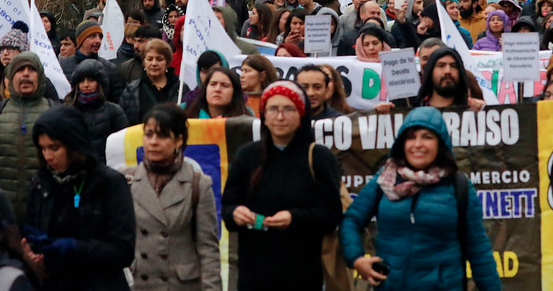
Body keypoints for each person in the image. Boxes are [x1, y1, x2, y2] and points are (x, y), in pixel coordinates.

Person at [340, 107, 501, 291]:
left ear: (440, 144)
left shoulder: (458, 186)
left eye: (427, 137)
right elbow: (351, 220)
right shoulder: (384, 180)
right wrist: (356, 258)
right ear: (402, 143)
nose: (417, 144)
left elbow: (479, 251)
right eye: (411, 137)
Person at [221, 80, 342, 291]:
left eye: (288, 109)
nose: (280, 116)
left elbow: (330, 215)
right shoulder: (247, 155)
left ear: (301, 115)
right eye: (273, 109)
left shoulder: (319, 158)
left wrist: (294, 218)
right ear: (263, 115)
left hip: (303, 275)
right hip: (253, 275)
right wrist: (235, 213)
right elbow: (228, 207)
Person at [23, 105, 136, 291]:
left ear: (74, 144)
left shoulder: (110, 183)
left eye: (54, 148)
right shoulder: (41, 181)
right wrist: (32, 254)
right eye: (43, 149)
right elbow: (32, 231)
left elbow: (122, 250)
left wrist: (75, 248)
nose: (48, 156)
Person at [126, 104, 222, 291]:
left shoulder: (198, 185)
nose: (153, 142)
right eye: (148, 134)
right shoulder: (126, 180)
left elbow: (208, 249)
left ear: (178, 141)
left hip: (180, 285)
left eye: (162, 136)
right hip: (139, 284)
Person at [0, 52, 55, 224]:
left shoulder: (54, 113)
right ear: (10, 78)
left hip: (44, 212)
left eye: (31, 69)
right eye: (20, 70)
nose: (25, 74)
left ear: (39, 77)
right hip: (1, 212)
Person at [65, 59, 129, 162]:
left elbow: (123, 146)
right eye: (81, 81)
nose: (86, 85)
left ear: (100, 83)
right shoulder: (66, 112)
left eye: (91, 80)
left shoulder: (114, 112)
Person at [119, 39, 181, 126]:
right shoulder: (131, 91)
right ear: (144, 62)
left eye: (159, 59)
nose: (154, 63)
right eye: (150, 59)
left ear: (167, 63)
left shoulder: (180, 89)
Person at [59, 20, 124, 103]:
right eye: (92, 36)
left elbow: (116, 102)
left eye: (100, 37)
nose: (98, 41)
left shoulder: (110, 69)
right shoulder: (62, 66)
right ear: (81, 40)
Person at [417, 48, 483, 111]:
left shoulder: (475, 109)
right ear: (431, 71)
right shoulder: (416, 111)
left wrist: (484, 110)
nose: (447, 71)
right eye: (441, 65)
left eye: (453, 66)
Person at [185, 67, 252, 119]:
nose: (217, 89)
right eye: (213, 84)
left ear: (234, 92)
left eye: (224, 85)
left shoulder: (245, 123)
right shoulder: (188, 120)